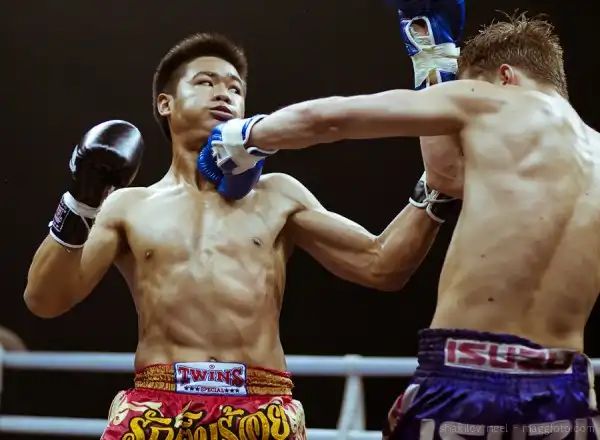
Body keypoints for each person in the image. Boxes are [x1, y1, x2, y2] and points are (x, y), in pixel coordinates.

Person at [23, 32, 459, 439]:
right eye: (205, 82)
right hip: (159, 405)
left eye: (235, 88)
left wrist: (437, 186)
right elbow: (45, 300)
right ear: (165, 103)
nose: (224, 93)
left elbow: (381, 265)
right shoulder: (128, 205)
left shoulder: (278, 195)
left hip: (261, 405)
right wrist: (81, 201)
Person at [204, 5, 600, 436]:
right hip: (567, 392)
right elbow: (447, 178)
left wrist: (245, 137)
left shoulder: (493, 100)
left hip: (466, 373)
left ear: (504, 76)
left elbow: (332, 119)